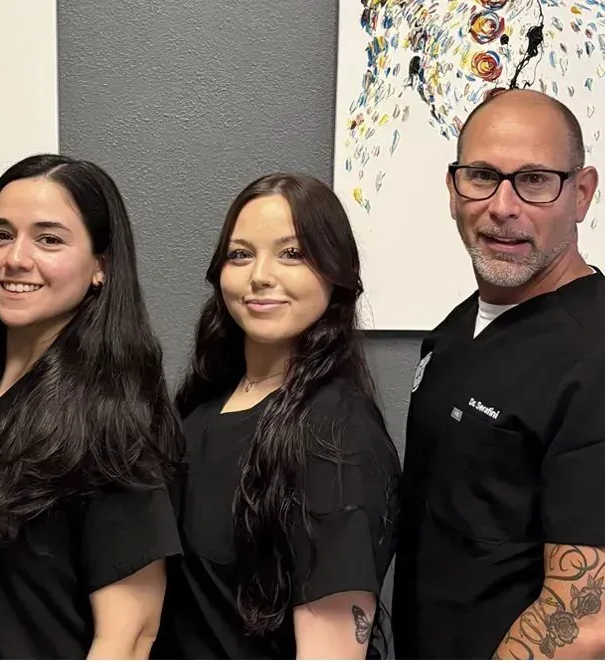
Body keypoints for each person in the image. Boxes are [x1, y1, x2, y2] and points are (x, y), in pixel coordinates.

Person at [392, 88, 605, 659]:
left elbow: (585, 624)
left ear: (581, 194)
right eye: (482, 175)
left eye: (534, 180)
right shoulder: (457, 331)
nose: (503, 206)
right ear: (453, 190)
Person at [0, 154, 184, 659]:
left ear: (101, 267)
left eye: (49, 239)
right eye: (0, 235)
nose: (16, 258)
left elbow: (129, 636)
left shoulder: (113, 419)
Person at [152, 173, 402, 659]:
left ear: (336, 274)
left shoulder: (337, 435)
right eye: (241, 254)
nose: (259, 275)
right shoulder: (202, 410)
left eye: (292, 254)